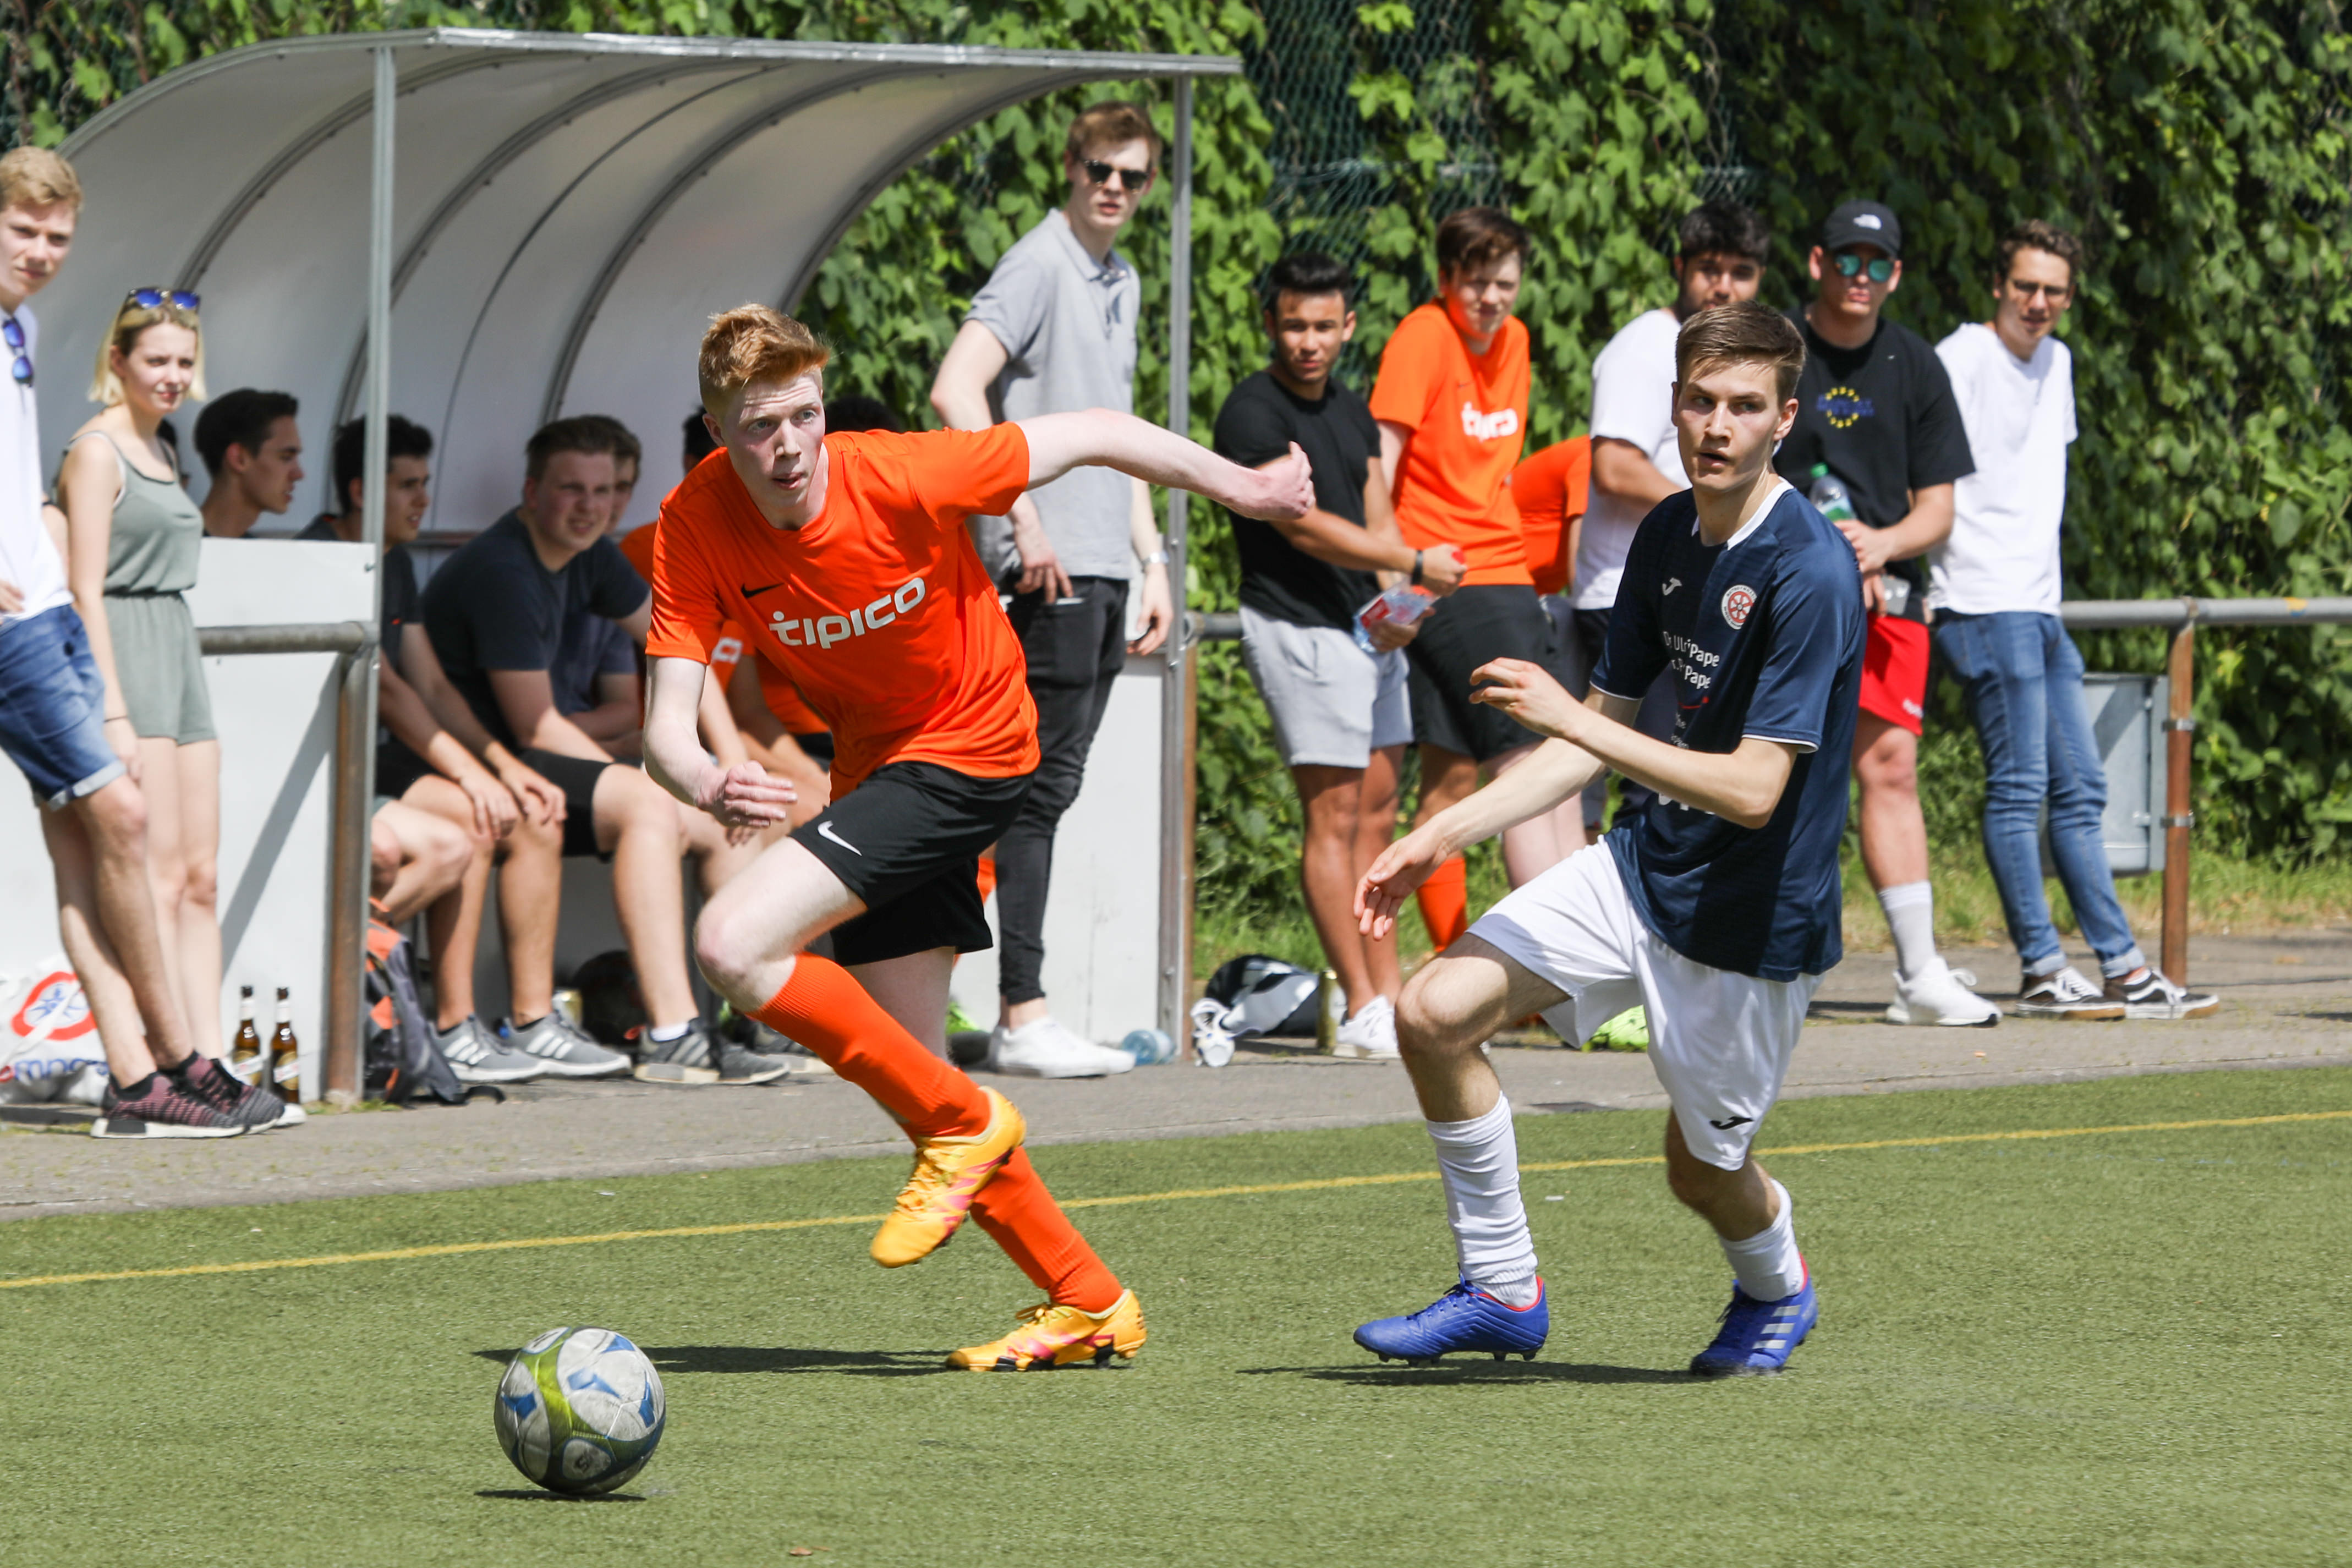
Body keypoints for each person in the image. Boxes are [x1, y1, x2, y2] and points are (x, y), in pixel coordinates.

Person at [642, 304, 1312, 1368]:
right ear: (719, 431)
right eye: (761, 426)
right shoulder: (693, 521)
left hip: (979, 744)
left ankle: (968, 1125)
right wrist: (707, 780)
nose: (791, 446)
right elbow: (664, 733)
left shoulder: (901, 470)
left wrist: (1244, 488)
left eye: (806, 416)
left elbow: (1095, 430)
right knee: (918, 1081)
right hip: (878, 774)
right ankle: (1087, 1298)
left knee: (731, 942)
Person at [1350, 302, 1861, 1376]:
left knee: (1699, 1173)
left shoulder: (1808, 571)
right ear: (1672, 405)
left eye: (1745, 406)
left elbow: (1754, 791)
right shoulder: (1669, 533)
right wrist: (1439, 835)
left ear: (1784, 420)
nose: (1716, 426)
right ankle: (1502, 1289)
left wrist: (1573, 722)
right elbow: (1592, 736)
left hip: (1749, 923)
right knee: (1431, 1014)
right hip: (1643, 866)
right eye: (1700, 401)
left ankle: (1777, 1284)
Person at [0, 149, 282, 1136]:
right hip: (27, 627)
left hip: (44, 614)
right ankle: (180, 1060)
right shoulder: (98, 442)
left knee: (90, 848)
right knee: (122, 820)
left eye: (57, 236)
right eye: (23, 230)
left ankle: (140, 1073)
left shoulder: (22, 327)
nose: (42, 251)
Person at [418, 414, 790, 1084]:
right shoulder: (503, 568)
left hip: (533, 761)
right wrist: (664, 783)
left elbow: (681, 648)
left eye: (602, 490)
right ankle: (672, 1033)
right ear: (532, 492)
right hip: (484, 763)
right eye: (571, 489)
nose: (589, 506)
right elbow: (536, 728)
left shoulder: (589, 554)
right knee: (652, 805)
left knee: (721, 819)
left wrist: (731, 760)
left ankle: (750, 1017)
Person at [928, 100, 1175, 1078]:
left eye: (1132, 175)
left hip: (1104, 562)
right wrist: (1019, 515)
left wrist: (1153, 561)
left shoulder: (1121, 277)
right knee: (1024, 793)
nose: (1112, 188)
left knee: (1044, 791)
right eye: (1098, 170)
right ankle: (1019, 1012)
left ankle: (996, 1005)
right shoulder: (1039, 262)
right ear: (1069, 168)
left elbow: (1118, 429)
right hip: (1047, 565)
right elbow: (957, 388)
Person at [1932, 222, 2218, 1022]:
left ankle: (2122, 967)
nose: (2038, 302)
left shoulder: (2057, 362)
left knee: (2082, 788)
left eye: (2053, 290)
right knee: (2019, 788)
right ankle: (2041, 966)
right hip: (1981, 600)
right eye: (2025, 286)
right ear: (1998, 285)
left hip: (2040, 603)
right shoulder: (1960, 357)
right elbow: (1922, 465)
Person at [56, 288, 308, 1132]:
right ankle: (167, 1068)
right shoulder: (97, 450)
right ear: (118, 360)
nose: (171, 375)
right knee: (154, 877)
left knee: (199, 877)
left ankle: (210, 1063)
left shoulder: (161, 444)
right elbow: (85, 587)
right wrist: (114, 709)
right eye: (156, 359)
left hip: (176, 645)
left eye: (183, 361)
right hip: (124, 653)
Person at [1212, 252, 1466, 1059]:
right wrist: (1415, 562)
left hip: (1366, 634)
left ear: (1348, 327)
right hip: (1299, 631)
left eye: (1324, 326)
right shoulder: (1251, 412)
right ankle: (1359, 1003)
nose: (1308, 341)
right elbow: (1300, 525)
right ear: (1271, 324)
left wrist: (1400, 602)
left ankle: (1388, 1000)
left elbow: (1375, 512)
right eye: (1294, 325)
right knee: (1333, 817)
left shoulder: (1352, 411)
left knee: (1379, 817)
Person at [1773, 200, 1998, 1027]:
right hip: (1784, 594)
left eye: (1876, 263)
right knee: (1776, 773)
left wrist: (1877, 545)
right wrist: (1822, 541)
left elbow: (1936, 512)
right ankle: (1763, 962)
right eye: (1846, 259)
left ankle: (1917, 974)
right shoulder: (1775, 350)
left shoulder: (1915, 363)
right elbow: (1731, 470)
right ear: (1816, 263)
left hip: (1889, 600)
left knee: (1892, 768)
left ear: (1895, 274)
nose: (1859, 276)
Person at [303, 414, 558, 1084]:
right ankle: (336, 967)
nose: (423, 499)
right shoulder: (324, 556)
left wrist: (501, 769)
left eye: (425, 482)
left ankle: (453, 1023)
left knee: (488, 815)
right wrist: (475, 775)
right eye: (408, 485)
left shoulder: (393, 560)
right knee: (462, 822)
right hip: (319, 774)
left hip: (366, 762)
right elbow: (390, 693)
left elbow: (434, 687)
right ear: (362, 490)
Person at [1369, 206, 1583, 955]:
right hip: (1446, 578)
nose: (1490, 299)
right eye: (1475, 283)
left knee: (1463, 775)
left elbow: (1493, 472)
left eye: (1504, 283)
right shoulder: (1421, 336)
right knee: (1530, 764)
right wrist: (1396, 578)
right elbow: (1379, 467)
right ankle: (1562, 970)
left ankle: (1465, 963)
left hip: (1506, 572)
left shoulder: (1516, 340)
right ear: (1445, 279)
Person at [1580, 201, 1771, 835]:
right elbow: (1615, 467)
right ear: (1679, 268)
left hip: (1689, 596)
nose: (1724, 287)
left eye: (1741, 272)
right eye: (1710, 269)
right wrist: (1719, 521)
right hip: (1628, 594)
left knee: (1680, 786)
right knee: (1653, 791)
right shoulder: (1649, 346)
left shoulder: (1731, 356)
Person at [193, 387, 301, 538]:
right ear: (239, 459)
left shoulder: (255, 551)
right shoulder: (173, 547)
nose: (299, 474)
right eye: (286, 457)